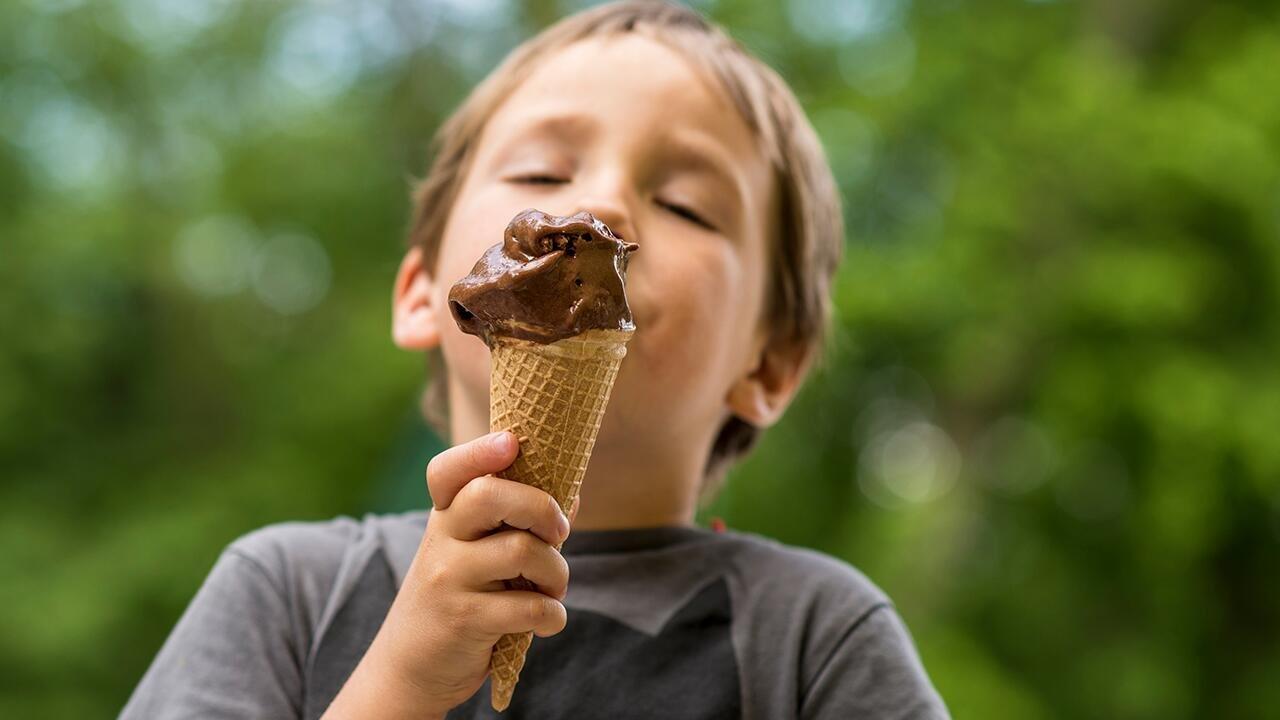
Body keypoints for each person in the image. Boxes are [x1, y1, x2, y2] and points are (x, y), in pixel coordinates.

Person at [122, 2, 949, 718]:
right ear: (420, 291)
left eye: (686, 205)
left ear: (770, 364)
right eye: (541, 169)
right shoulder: (286, 591)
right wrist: (402, 682)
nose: (600, 207)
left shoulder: (815, 637)